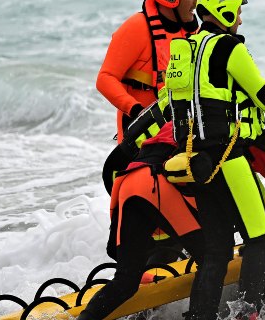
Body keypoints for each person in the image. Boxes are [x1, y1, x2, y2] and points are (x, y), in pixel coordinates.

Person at [164, 0, 265, 320]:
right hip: (228, 159)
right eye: (239, 11)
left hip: (196, 161)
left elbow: (199, 97)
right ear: (225, 9)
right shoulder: (231, 47)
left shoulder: (185, 47)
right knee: (260, 239)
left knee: (216, 252)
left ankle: (201, 316)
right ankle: (247, 314)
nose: (240, 20)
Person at [78, 123, 204, 320]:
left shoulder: (167, 119)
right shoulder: (216, 120)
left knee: (126, 280)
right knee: (212, 258)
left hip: (128, 182)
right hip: (156, 183)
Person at [97, 0, 200, 143]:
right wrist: (138, 112)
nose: (196, 3)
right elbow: (105, 79)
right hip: (141, 137)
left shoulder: (192, 32)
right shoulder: (136, 27)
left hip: (180, 131)